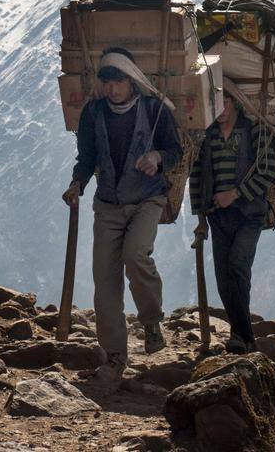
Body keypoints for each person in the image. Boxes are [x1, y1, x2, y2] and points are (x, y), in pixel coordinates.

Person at [62, 46, 183, 375]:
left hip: (147, 199)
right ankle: (114, 355)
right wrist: (77, 184)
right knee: (105, 279)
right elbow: (86, 156)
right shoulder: (93, 113)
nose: (112, 89)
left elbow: (175, 151)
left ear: (132, 81)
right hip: (108, 204)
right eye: (107, 83)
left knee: (135, 254)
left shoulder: (154, 109)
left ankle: (152, 322)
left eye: (118, 82)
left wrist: (157, 158)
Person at [189, 89, 275, 353]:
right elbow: (197, 178)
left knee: (238, 265)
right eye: (213, 104)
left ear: (236, 104)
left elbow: (267, 173)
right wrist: (201, 218)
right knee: (223, 276)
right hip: (219, 217)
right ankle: (244, 337)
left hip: (250, 215)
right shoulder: (207, 138)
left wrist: (236, 194)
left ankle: (241, 335)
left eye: (223, 102)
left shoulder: (255, 133)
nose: (219, 109)